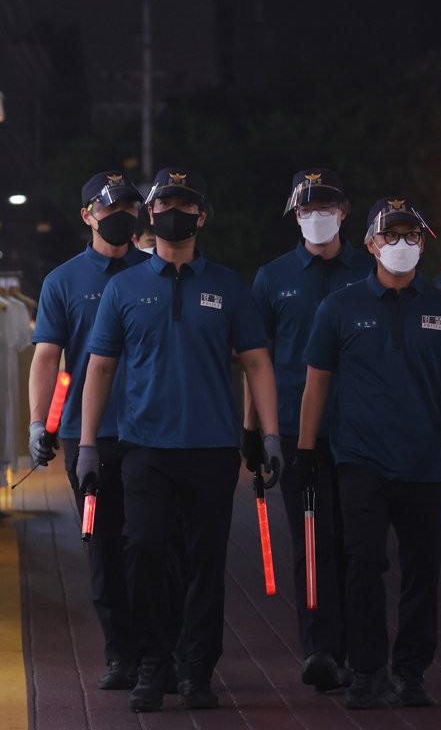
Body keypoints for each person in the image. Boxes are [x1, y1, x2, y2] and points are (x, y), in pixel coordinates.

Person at [78, 167, 284, 713]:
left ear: (201, 216)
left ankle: (195, 670)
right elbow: (98, 369)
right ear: (150, 214)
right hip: (142, 446)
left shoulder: (229, 286)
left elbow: (258, 363)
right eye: (164, 202)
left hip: (211, 449)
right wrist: (87, 446)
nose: (173, 211)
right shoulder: (123, 288)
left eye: (184, 204)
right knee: (141, 549)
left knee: (204, 560)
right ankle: (152, 662)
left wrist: (270, 435)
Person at [297, 197, 441, 710]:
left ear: (424, 244)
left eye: (412, 237)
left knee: (423, 572)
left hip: (425, 463)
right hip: (360, 460)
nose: (401, 246)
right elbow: (317, 383)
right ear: (371, 244)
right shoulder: (339, 307)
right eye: (391, 236)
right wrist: (306, 448)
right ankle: (366, 670)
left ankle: (410, 671)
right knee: (362, 564)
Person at [242, 168, 374, 692]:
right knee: (312, 542)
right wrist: (253, 431)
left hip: (364, 435)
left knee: (360, 547)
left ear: (344, 212)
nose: (315, 218)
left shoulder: (370, 270)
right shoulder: (272, 278)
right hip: (301, 434)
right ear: (294, 216)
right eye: (305, 210)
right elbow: (257, 360)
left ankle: (358, 651)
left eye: (325, 208)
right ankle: (319, 649)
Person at [27, 170, 149, 691]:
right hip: (88, 441)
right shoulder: (63, 281)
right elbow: (47, 358)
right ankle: (120, 653)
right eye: (108, 206)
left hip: (152, 437)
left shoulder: (158, 272)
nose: (119, 214)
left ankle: (156, 652)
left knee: (151, 546)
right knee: (102, 547)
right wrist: (40, 422)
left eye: (127, 204)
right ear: (87, 215)